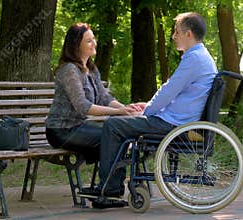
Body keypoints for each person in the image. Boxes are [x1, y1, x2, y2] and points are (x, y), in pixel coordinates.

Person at [81, 12, 218, 204]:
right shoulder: (200, 57)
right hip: (176, 120)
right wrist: (147, 106)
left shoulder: (194, 59)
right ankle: (113, 184)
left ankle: (110, 187)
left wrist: (146, 111)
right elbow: (175, 94)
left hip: (173, 125)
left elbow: (169, 91)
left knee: (113, 125)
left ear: (189, 34)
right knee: (121, 124)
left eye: (177, 32)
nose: (173, 36)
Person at [45, 23, 140, 164]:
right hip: (61, 131)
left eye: (93, 39)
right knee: (114, 137)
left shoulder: (91, 68)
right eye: (89, 41)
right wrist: (119, 112)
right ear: (76, 45)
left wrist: (127, 109)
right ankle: (109, 184)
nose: (94, 43)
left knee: (120, 136)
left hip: (79, 126)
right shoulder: (69, 70)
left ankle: (112, 182)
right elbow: (83, 106)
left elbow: (104, 97)